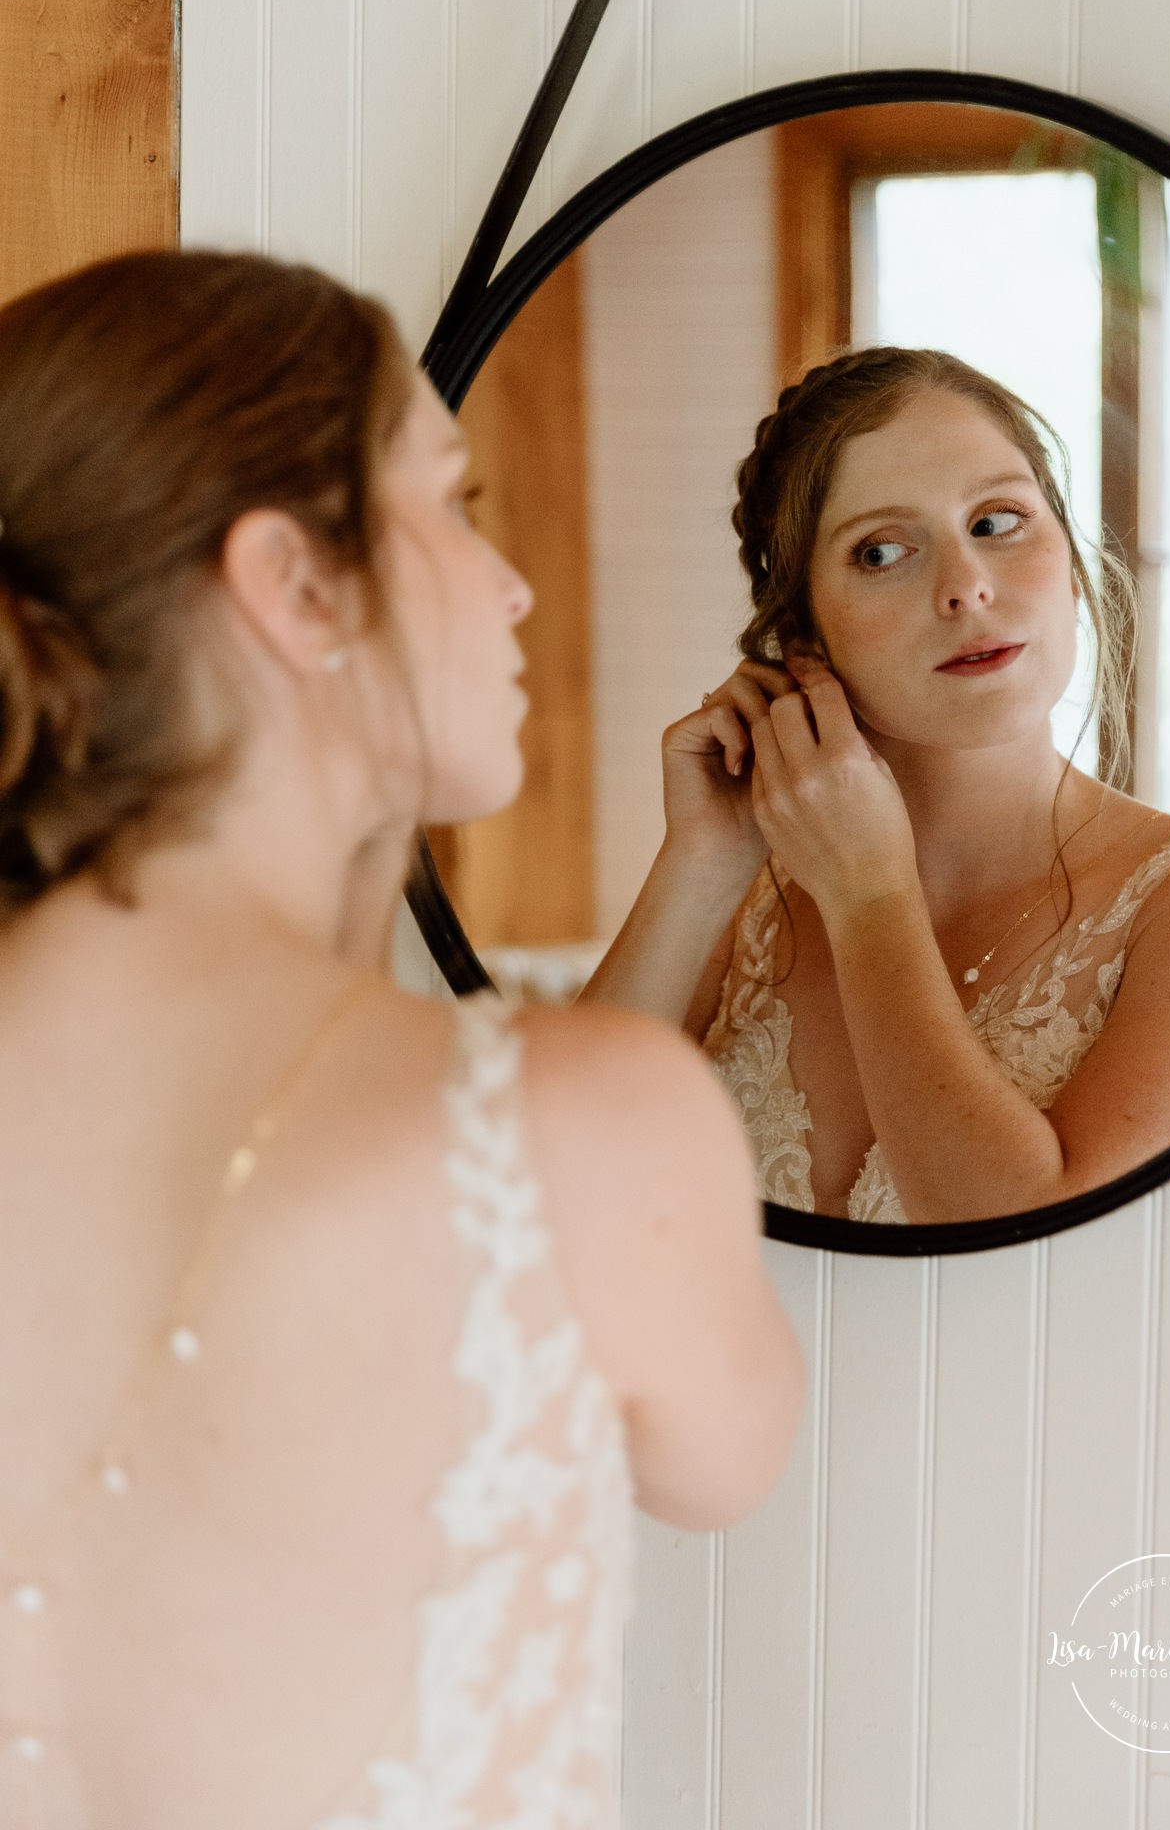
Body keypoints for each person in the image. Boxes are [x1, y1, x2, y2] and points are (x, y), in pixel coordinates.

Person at [0, 251, 802, 1827]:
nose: (507, 587)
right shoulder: (581, 1128)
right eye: (459, 500)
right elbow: (724, 1461)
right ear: (297, 587)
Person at [585, 348, 1170, 1226]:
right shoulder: (743, 899)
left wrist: (872, 900)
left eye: (996, 521)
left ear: (1067, 555)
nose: (965, 585)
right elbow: (547, 1188)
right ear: (802, 634)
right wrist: (702, 859)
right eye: (880, 551)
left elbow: (1021, 1254)